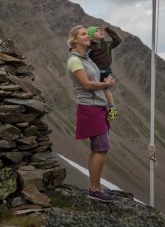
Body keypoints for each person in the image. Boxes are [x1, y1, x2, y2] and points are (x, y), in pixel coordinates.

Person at [67, 25, 117, 202]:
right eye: (83, 34)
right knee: (102, 147)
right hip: (90, 108)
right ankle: (95, 190)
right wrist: (106, 85)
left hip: (99, 107)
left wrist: (106, 84)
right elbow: (87, 85)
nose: (87, 36)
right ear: (74, 40)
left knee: (97, 148)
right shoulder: (74, 61)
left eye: (87, 34)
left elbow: (95, 79)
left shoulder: (87, 58)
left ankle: (94, 188)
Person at [87, 25, 121, 121]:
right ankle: (97, 108)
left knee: (105, 89)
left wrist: (107, 30)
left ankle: (112, 108)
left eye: (100, 31)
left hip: (105, 70)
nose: (100, 32)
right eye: (97, 31)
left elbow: (118, 40)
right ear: (91, 36)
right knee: (94, 89)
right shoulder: (89, 46)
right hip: (94, 71)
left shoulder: (107, 44)